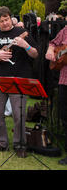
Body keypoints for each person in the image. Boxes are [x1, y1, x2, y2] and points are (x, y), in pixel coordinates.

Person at [0, 6, 38, 158]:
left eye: (7, 20)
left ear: (10, 18)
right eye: (1, 21)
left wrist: (25, 45)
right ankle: (1, 143)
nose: (5, 23)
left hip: (19, 79)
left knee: (18, 115)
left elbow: (35, 54)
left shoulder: (22, 33)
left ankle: (20, 145)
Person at [45, 25, 67, 165]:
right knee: (64, 117)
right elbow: (53, 43)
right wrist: (50, 51)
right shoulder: (66, 29)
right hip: (64, 80)